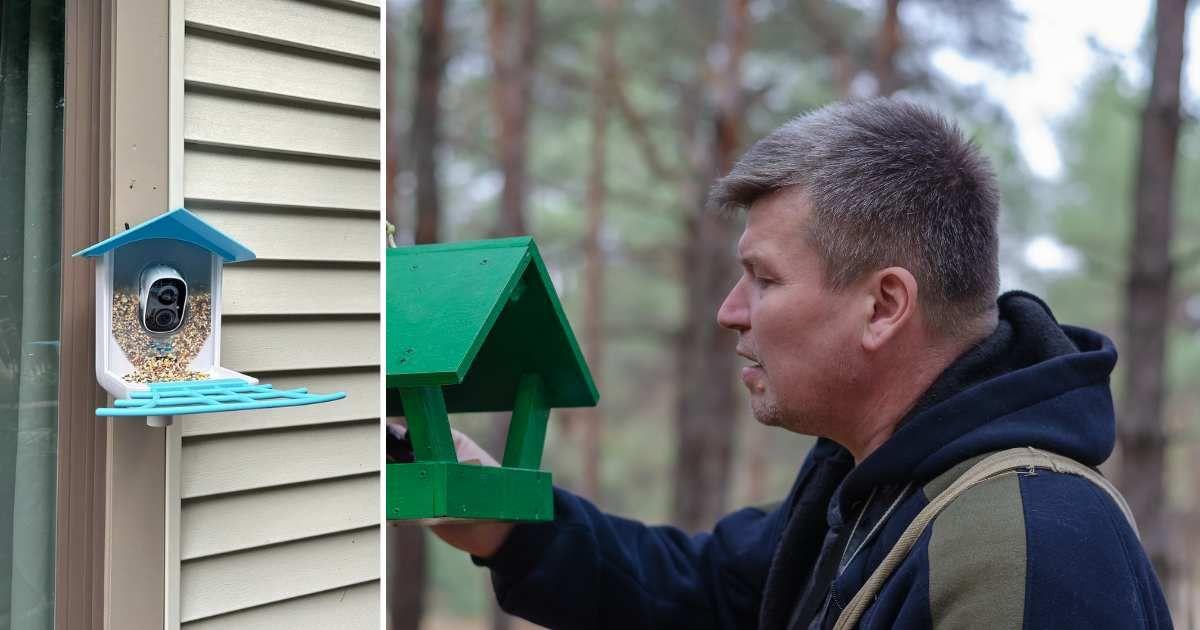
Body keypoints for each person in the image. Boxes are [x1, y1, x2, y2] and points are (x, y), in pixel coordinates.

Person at [414, 98, 1172, 629]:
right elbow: (716, 595)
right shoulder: (869, 480)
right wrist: (503, 526)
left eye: (765, 279)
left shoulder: (1034, 543)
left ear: (884, 307)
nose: (730, 311)